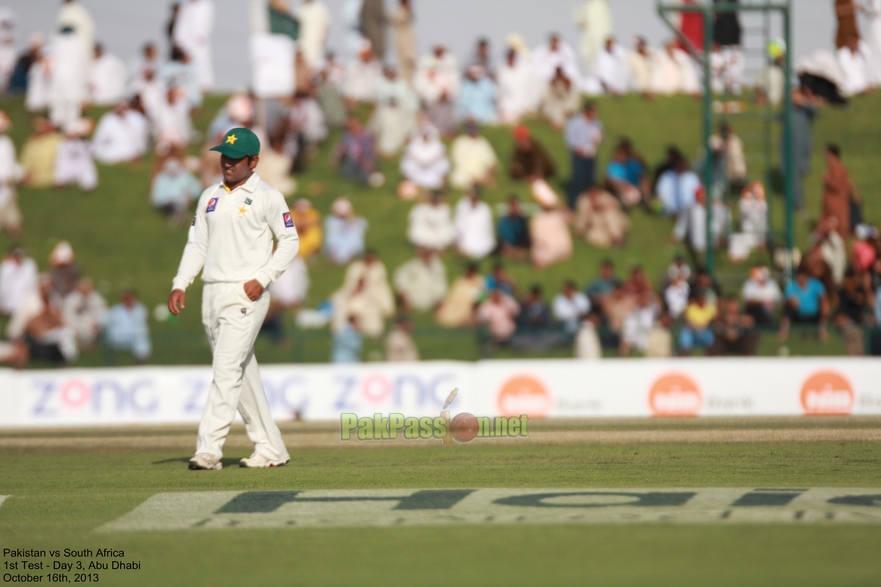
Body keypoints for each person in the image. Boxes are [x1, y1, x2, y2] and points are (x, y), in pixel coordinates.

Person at [168, 127, 300, 471]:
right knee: (242, 373)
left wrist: (264, 278)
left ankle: (209, 450)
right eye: (224, 156)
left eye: (235, 158)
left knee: (225, 370)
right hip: (212, 291)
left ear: (253, 161)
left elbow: (289, 241)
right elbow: (197, 244)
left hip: (246, 291)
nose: (227, 163)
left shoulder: (268, 196)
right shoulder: (209, 195)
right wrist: (181, 282)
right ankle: (271, 448)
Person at [564, 101, 603, 210]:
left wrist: (600, 138)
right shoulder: (575, 122)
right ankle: (571, 204)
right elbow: (569, 137)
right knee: (577, 179)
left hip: (591, 155)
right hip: (578, 155)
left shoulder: (596, 124)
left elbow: (600, 138)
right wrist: (577, 148)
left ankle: (591, 205)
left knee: (591, 180)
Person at [173, 0, 215, 92]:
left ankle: (204, 87)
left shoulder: (206, 5)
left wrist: (201, 37)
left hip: (200, 41)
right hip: (186, 41)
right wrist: (178, 40)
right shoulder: (187, 6)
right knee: (185, 65)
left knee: (202, 63)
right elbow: (181, 24)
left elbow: (206, 24)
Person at [779, 267, 829, 342]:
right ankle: (783, 334)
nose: (800, 279)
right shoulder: (792, 287)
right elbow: (785, 302)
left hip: (814, 314)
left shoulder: (815, 284)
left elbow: (823, 297)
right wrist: (790, 302)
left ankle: (822, 334)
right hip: (798, 314)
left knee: (824, 310)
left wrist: (825, 308)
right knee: (788, 312)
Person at [821, 144, 859, 240]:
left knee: (838, 227)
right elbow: (848, 183)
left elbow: (836, 184)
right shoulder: (837, 167)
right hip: (835, 205)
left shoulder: (837, 167)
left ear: (831, 155)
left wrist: (826, 178)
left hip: (837, 205)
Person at [393, 247, 448, 312]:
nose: (426, 256)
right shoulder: (412, 266)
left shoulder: (438, 267)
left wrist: (440, 298)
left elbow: (441, 284)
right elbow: (401, 277)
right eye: (424, 253)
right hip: (414, 297)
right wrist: (403, 293)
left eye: (428, 254)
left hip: (431, 298)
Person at [103, 289, 151, 361]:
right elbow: (106, 321)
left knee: (142, 343)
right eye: (126, 298)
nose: (128, 300)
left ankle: (142, 361)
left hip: (135, 336)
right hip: (119, 336)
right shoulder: (115, 310)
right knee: (113, 339)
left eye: (130, 298)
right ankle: (115, 352)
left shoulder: (141, 309)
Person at [151, 156, 202, 221]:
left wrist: (191, 195)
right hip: (167, 203)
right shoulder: (160, 179)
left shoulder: (185, 175)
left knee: (181, 202)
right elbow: (156, 196)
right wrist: (166, 201)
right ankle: (178, 215)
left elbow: (196, 187)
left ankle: (180, 215)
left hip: (183, 200)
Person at [449, 122, 497, 190]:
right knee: (460, 179)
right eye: (471, 130)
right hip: (464, 174)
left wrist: (490, 175)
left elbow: (492, 161)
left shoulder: (483, 142)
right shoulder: (460, 142)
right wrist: (474, 177)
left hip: (482, 174)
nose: (473, 132)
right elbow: (459, 163)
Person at [497, 48, 541, 124]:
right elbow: (500, 93)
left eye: (512, 57)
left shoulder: (525, 71)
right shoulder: (502, 73)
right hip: (509, 108)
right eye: (509, 57)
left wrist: (530, 105)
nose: (510, 59)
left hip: (524, 107)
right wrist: (501, 109)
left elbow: (531, 89)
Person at [400, 125, 449, 190]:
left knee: (443, 163)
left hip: (433, 170)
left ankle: (443, 186)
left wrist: (429, 162)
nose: (425, 137)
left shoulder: (437, 145)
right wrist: (420, 162)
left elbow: (441, 155)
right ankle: (407, 184)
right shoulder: (413, 145)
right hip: (417, 170)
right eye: (423, 135)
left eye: (427, 135)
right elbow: (409, 155)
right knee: (408, 164)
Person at [435, 263, 484, 327]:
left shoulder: (479, 281)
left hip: (472, 307)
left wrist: (476, 305)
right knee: (444, 315)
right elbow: (452, 295)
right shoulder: (460, 281)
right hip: (456, 306)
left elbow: (482, 296)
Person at [54, 119, 97, 192]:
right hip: (67, 153)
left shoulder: (84, 141)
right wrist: (71, 136)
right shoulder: (64, 141)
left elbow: (90, 152)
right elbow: (65, 136)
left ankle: (87, 185)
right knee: (62, 162)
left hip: (80, 155)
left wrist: (80, 136)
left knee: (86, 164)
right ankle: (61, 182)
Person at [453, 188, 496, 260]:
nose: (472, 200)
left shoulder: (485, 209)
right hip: (467, 236)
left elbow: (488, 227)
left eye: (474, 198)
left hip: (481, 236)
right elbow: (459, 226)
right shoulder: (462, 208)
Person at [324, 196, 368, 265]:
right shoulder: (331, 221)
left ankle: (352, 256)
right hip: (337, 246)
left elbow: (358, 234)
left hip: (350, 245)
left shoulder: (357, 221)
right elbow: (331, 237)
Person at [572, 0, 613, 74]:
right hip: (590, 37)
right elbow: (578, 20)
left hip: (603, 35)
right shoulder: (584, 5)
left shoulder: (601, 3)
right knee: (591, 60)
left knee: (605, 58)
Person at [335, 116, 377, 185]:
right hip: (354, 161)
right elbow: (342, 149)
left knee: (365, 175)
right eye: (350, 126)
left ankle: (367, 174)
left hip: (368, 159)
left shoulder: (367, 133)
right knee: (346, 172)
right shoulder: (347, 137)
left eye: (355, 124)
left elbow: (373, 149)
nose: (354, 127)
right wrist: (336, 159)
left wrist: (370, 161)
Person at [0, 112, 23, 239]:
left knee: (10, 204)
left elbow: (11, 163)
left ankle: (13, 226)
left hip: (7, 183)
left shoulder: (6, 142)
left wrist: (17, 175)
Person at [530, 201, 572, 268]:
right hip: (545, 246)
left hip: (559, 245)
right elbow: (535, 235)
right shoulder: (538, 217)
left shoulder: (558, 215)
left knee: (561, 251)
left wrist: (561, 205)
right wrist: (540, 243)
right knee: (539, 253)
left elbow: (570, 217)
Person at [0, 248, 39, 317]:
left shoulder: (28, 265)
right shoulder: (7, 267)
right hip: (9, 300)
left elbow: (31, 282)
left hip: (23, 298)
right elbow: (4, 285)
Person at [679, 289, 718, 355]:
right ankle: (684, 359)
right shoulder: (691, 308)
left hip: (705, 331)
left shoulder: (710, 308)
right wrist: (693, 326)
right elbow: (686, 320)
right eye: (700, 298)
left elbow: (714, 320)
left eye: (703, 298)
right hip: (692, 331)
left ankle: (712, 360)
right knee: (685, 333)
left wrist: (707, 325)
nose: (702, 300)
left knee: (710, 335)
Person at [296, 0, 331, 73]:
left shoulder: (320, 8)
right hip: (302, 45)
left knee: (314, 70)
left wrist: (321, 42)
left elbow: (325, 26)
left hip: (315, 46)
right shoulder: (300, 8)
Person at [497, 196, 531, 261]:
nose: (513, 209)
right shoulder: (503, 221)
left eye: (515, 206)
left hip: (519, 247)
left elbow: (524, 237)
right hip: (507, 247)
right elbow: (502, 237)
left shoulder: (522, 221)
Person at [391, 0, 417, 82]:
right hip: (402, 43)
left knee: (411, 64)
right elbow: (400, 19)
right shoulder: (397, 12)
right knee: (403, 65)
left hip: (409, 43)